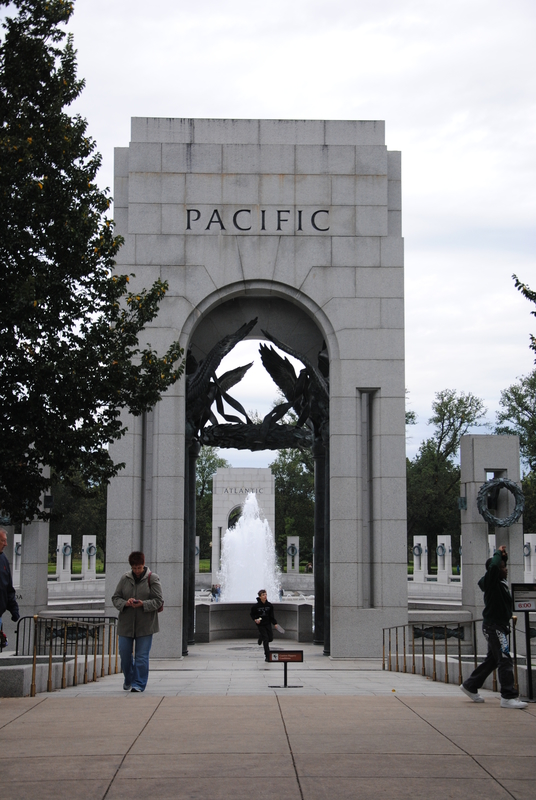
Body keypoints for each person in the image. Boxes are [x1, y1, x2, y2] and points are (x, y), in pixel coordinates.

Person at [461, 545, 527, 709]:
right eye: (503, 567)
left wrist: (503, 556)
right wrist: (497, 553)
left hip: (499, 626)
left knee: (492, 660)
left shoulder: (499, 583)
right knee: (505, 658)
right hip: (494, 627)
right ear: (496, 570)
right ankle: (508, 696)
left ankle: (470, 685)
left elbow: (497, 565)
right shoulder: (491, 582)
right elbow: (493, 566)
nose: (506, 570)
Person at [112, 551, 163, 693]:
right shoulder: (125, 578)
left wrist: (143, 604)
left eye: (139, 567)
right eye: (134, 568)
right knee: (125, 654)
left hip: (145, 625)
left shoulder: (152, 578)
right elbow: (115, 598)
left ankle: (138, 684)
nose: (137, 571)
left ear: (143, 565)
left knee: (141, 656)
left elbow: (158, 601)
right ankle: (129, 678)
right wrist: (125, 603)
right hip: (126, 624)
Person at [0, 528, 20, 649]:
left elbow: (8, 588)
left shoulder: (3, 559)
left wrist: (14, 608)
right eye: (3, 541)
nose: (6, 544)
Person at [250, 589, 277, 662]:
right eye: (263, 595)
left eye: (266, 594)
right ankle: (267, 656)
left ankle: (261, 636)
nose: (265, 596)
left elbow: (272, 616)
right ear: (260, 597)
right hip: (261, 625)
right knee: (266, 640)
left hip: (268, 623)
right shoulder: (255, 606)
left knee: (270, 638)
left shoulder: (269, 605)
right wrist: (255, 619)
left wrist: (275, 623)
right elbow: (252, 614)